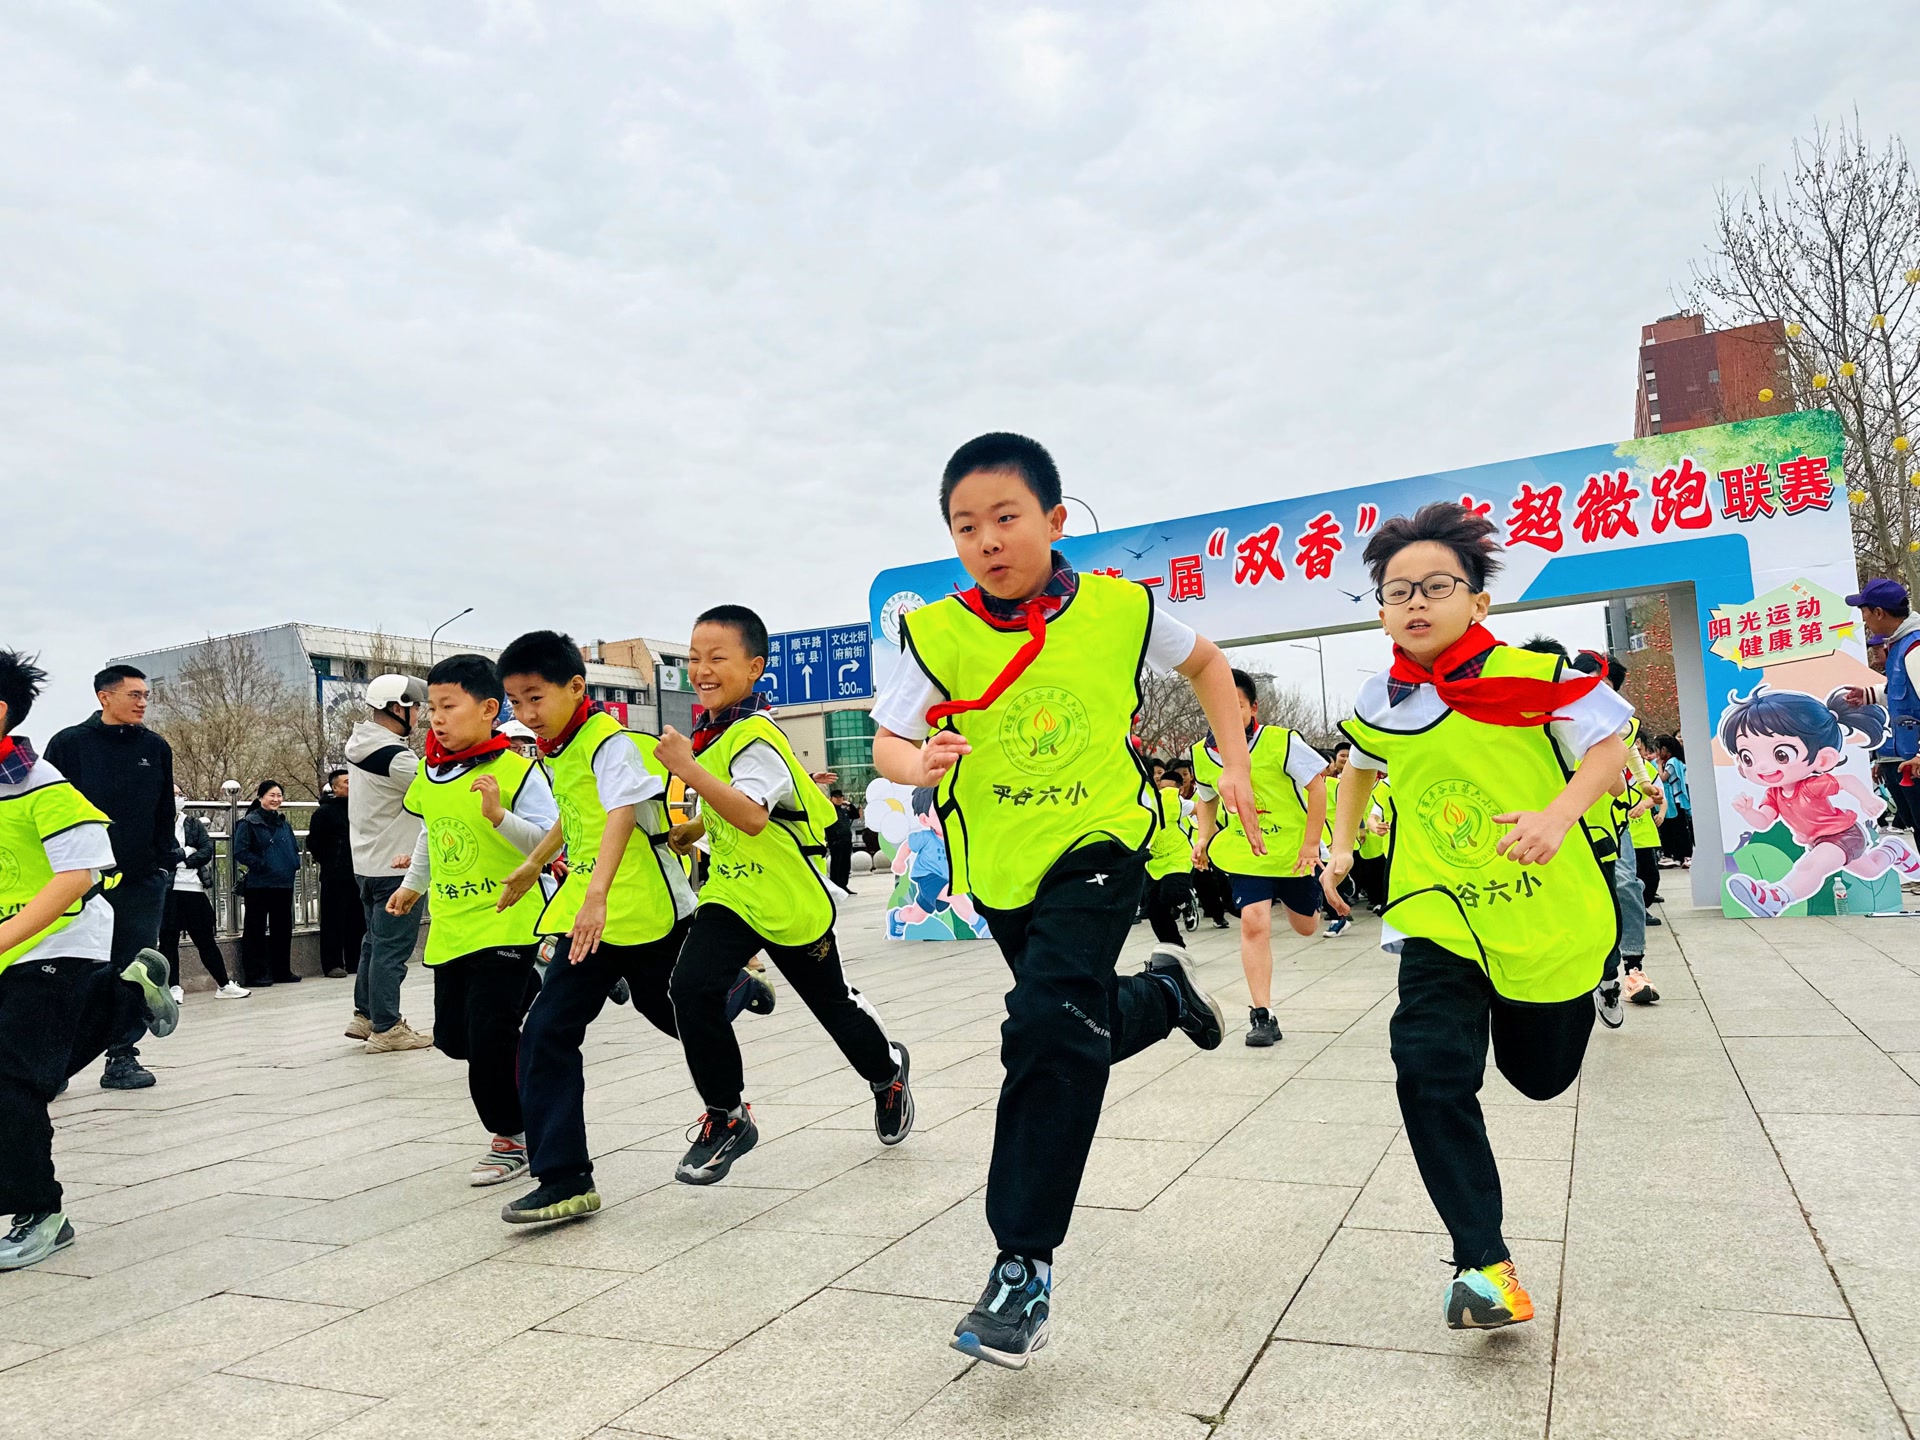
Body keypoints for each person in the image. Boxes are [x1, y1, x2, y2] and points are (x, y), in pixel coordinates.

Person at [871, 432, 1249, 1370]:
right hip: (1002, 865)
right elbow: (888, 742)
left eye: (1006, 518)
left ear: (1053, 517)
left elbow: (1207, 665)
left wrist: (1235, 764)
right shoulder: (940, 633)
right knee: (1071, 1016)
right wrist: (919, 761)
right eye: (966, 527)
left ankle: (1021, 1266)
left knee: (1045, 1024)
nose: (988, 541)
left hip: (1101, 842)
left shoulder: (1123, 610)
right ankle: (1160, 997)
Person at [1321, 501, 1629, 1332]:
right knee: (1426, 1067)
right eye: (1396, 591)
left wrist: (1557, 816)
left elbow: (1612, 749)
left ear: (1478, 602)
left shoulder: (1537, 674)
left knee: (1539, 1077)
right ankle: (1482, 1263)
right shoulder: (1381, 698)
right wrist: (1342, 848)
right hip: (1439, 914)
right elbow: (1359, 764)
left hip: (1544, 914)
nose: (1414, 602)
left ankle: (1582, 991)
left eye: (1435, 586)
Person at [493, 630, 772, 1225]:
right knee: (544, 1030)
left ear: (575, 687)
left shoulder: (610, 742)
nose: (527, 714)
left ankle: (732, 1001)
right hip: (588, 920)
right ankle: (565, 1179)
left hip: (643, 910)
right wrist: (531, 865)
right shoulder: (554, 748)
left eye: (535, 698)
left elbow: (621, 813)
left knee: (676, 1016)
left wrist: (596, 896)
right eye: (515, 702)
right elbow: (578, 819)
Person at [652, 605, 909, 1188]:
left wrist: (688, 771)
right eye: (694, 658)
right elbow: (739, 812)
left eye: (718, 658)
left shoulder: (757, 736)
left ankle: (887, 1074)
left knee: (832, 1006)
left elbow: (749, 814)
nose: (702, 670)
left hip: (789, 900)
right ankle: (727, 1116)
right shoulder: (715, 733)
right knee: (689, 987)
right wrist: (694, 827)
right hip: (732, 895)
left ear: (755, 667)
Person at [0, 650, 180, 1270]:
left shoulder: (39, 784)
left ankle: (40, 1213)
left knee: (11, 1077)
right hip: (12, 952)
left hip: (58, 942)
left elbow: (78, 875)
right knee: (31, 1070)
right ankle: (127, 994)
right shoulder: (53, 755)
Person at [384, 655, 555, 1187]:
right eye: (431, 707)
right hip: (454, 924)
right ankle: (535, 987)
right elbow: (433, 833)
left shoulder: (517, 770)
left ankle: (512, 1137)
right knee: (453, 1039)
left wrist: (499, 816)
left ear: (487, 710)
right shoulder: (431, 773)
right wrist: (415, 884)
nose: (436, 717)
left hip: (507, 918)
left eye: (448, 706)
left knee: (488, 1040)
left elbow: (552, 842)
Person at [44, 664, 180, 1090]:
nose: (143, 702)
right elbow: (48, 810)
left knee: (135, 967)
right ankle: (53, 1061)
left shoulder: (155, 748)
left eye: (146, 696)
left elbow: (163, 810)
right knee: (69, 967)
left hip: (141, 879)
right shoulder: (69, 745)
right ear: (105, 697)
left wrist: (162, 861)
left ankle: (122, 1056)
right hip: (79, 879)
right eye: (134, 695)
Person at [1190, 668, 1331, 1047]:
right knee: (1254, 922)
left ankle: (1307, 895)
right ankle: (1262, 1015)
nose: (1226, 714)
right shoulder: (1201, 755)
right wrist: (1203, 837)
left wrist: (1311, 844)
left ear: (1253, 707)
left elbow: (1317, 786)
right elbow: (1207, 799)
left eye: (1235, 706)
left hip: (1293, 853)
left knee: (1306, 927)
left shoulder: (1280, 742)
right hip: (1247, 853)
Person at [1721, 686, 1920, 916]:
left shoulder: (1810, 786)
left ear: (1823, 758)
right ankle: (1894, 852)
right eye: (1748, 757)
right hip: (1819, 841)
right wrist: (1747, 812)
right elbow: (1763, 821)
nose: (1762, 766)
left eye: (1781, 754)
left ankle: (1776, 897)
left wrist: (1867, 799)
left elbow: (1846, 780)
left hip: (1843, 835)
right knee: (1870, 869)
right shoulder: (1774, 794)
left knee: (1810, 866)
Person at [345, 674, 433, 1052]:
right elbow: (435, 790)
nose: (420, 715)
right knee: (391, 949)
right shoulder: (397, 757)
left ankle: (365, 1015)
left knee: (373, 943)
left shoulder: (361, 742)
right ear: (398, 708)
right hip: (397, 866)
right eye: (416, 707)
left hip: (366, 862)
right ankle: (387, 1026)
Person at [1568, 653, 1657, 1023]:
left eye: (1602, 686)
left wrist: (1644, 785)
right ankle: (1583, 973)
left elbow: (1630, 754)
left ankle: (1632, 969)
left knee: (1625, 884)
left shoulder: (1623, 724)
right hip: (1563, 826)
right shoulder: (1555, 718)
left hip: (1608, 824)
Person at [161, 787, 246, 1000]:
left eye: (181, 794)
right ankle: (173, 987)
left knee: (206, 939)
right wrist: (186, 852)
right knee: (168, 940)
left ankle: (224, 984)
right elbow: (161, 855)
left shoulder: (193, 823)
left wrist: (184, 861)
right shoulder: (156, 824)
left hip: (194, 888)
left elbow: (206, 850)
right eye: (173, 794)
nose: (178, 799)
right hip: (168, 890)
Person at [232, 781, 300, 986]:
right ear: (261, 797)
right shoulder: (249, 823)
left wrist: (293, 864)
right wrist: (261, 865)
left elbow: (293, 847)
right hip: (260, 883)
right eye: (272, 795)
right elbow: (241, 851)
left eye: (279, 795)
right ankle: (255, 973)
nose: (276, 799)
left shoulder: (283, 823)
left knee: (283, 928)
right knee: (255, 928)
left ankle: (281, 970)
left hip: (283, 882)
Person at [306, 768, 362, 978]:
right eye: (347, 782)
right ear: (336, 787)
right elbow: (314, 843)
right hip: (335, 874)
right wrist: (332, 860)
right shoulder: (324, 812)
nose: (352, 785)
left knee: (357, 919)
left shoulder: (360, 808)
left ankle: (356, 960)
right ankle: (332, 963)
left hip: (359, 871)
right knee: (333, 920)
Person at [1143, 770, 1198, 946]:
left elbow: (1202, 808)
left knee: (1171, 894)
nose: (1164, 791)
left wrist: (1204, 839)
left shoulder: (1175, 802)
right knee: (1153, 909)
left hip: (1177, 857)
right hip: (1153, 862)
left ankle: (1186, 899)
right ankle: (1175, 947)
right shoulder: (1140, 801)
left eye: (1169, 788)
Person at [1655, 735, 1694, 862]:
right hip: (1674, 800)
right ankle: (1678, 855)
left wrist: (1659, 764)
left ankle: (1685, 855)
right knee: (1674, 829)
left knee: (1679, 829)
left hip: (1675, 800)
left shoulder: (1672, 762)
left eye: (1658, 749)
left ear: (1665, 749)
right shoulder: (1674, 761)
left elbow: (1663, 778)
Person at [824, 787, 857, 893]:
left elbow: (855, 815)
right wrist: (832, 840)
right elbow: (827, 826)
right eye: (836, 797)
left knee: (846, 864)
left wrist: (850, 804)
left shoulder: (844, 810)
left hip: (846, 841)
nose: (839, 799)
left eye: (840, 797)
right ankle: (835, 885)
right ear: (831, 799)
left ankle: (843, 885)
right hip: (836, 842)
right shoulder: (828, 810)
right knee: (836, 864)